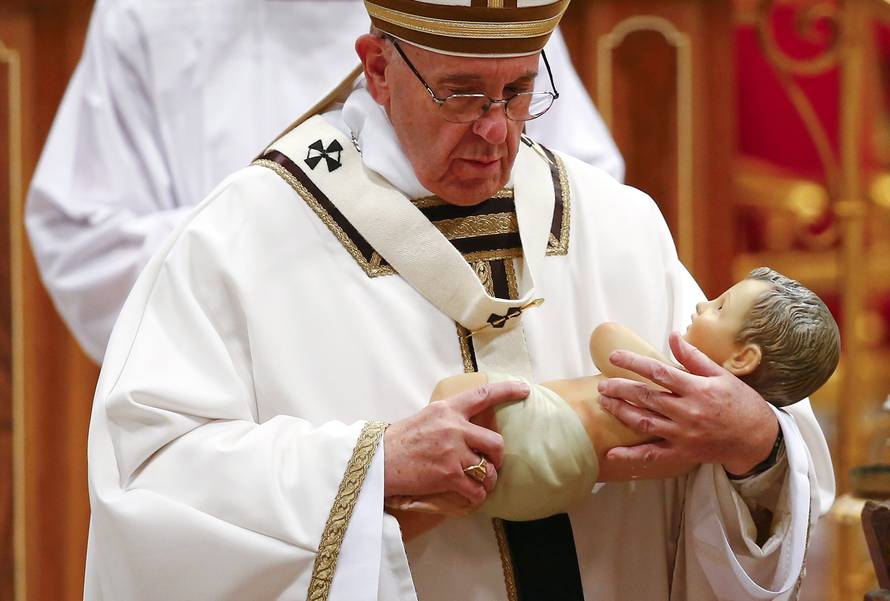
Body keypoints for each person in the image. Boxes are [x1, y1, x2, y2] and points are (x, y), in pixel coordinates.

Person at [85, 2, 834, 600]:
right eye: (462, 93)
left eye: (518, 92)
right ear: (376, 67)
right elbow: (151, 473)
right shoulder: (243, 235)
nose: (495, 131)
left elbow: (749, 413)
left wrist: (752, 444)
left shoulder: (615, 223)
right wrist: (370, 466)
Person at [25, 0, 624, 364]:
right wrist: (302, 259)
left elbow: (576, 203)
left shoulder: (461, 12)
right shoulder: (147, 12)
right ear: (376, 68)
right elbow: (83, 238)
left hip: (467, 352)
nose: (494, 120)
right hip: (264, 387)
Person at [388, 266, 841, 524]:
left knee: (461, 395)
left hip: (550, 436)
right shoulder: (699, 449)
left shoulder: (670, 389)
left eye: (718, 307)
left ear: (742, 360)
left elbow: (607, 341)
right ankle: (447, 498)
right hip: (561, 487)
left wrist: (649, 354)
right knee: (473, 479)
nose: (702, 304)